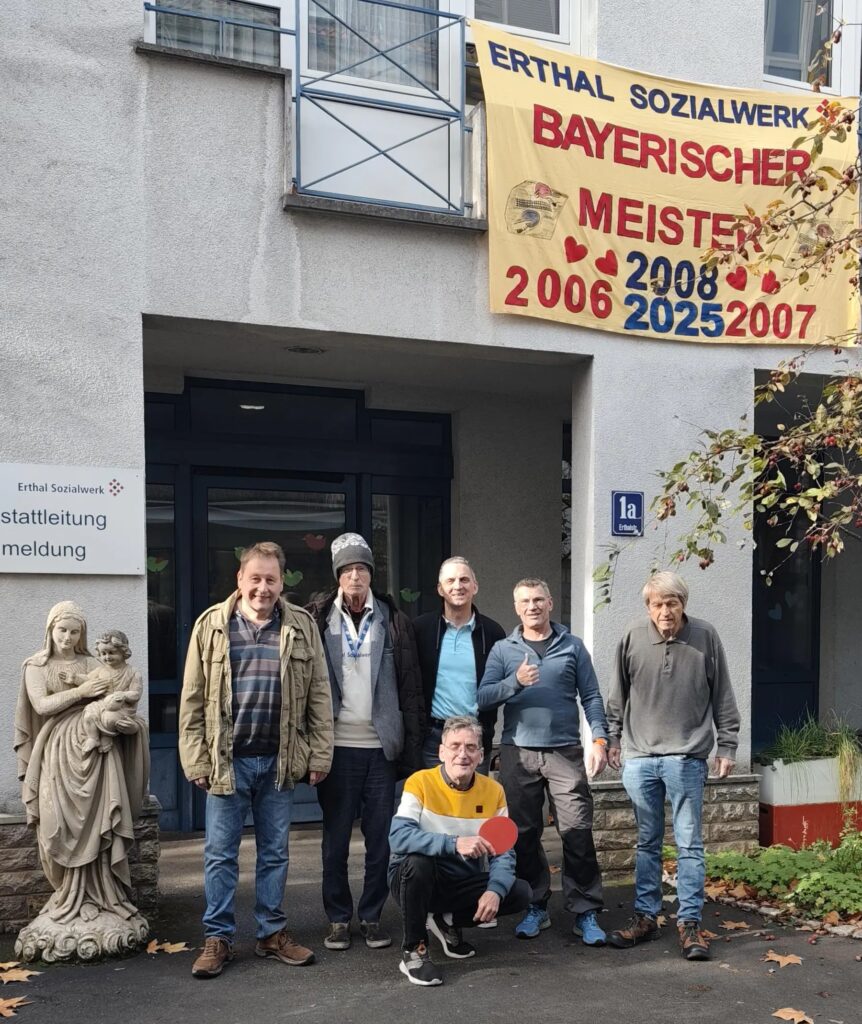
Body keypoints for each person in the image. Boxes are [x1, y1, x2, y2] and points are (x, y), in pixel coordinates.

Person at [179, 541, 333, 980]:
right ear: (240, 580)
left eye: (270, 579)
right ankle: (218, 938)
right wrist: (195, 759)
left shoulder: (301, 625)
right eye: (255, 578)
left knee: (275, 854)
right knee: (220, 855)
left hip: (279, 761)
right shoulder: (211, 624)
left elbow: (319, 693)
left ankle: (270, 932)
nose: (262, 587)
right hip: (226, 761)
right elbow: (192, 696)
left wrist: (320, 752)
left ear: (281, 582)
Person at [606, 571, 740, 961]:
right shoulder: (632, 636)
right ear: (648, 607)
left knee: (689, 845)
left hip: (687, 757)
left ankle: (690, 924)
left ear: (683, 604)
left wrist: (727, 745)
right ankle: (646, 918)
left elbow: (723, 694)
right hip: (640, 758)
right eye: (657, 604)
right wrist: (612, 738)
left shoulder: (706, 636)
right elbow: (617, 694)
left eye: (671, 603)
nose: (664, 611)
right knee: (647, 843)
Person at [14, 602, 150, 961]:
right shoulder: (35, 666)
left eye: (75, 632)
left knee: (100, 819)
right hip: (59, 751)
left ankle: (102, 895)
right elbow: (42, 706)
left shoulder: (93, 662)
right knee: (57, 823)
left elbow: (115, 700)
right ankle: (68, 895)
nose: (68, 638)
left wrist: (125, 722)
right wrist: (83, 691)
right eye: (62, 630)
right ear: (50, 630)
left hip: (97, 752)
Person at [477, 578, 610, 946]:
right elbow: (483, 697)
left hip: (564, 751)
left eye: (538, 599)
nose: (532, 606)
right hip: (517, 753)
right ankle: (536, 904)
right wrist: (515, 682)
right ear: (516, 608)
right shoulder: (504, 650)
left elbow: (592, 697)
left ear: (550, 603)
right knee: (522, 834)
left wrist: (599, 739)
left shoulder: (573, 646)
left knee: (577, 831)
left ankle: (586, 910)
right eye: (525, 601)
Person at [309, 532, 424, 952]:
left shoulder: (393, 619)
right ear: (338, 576)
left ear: (371, 574)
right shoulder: (318, 618)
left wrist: (410, 749)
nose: (355, 576)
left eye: (362, 569)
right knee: (335, 841)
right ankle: (339, 918)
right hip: (336, 748)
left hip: (380, 749)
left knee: (380, 841)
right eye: (347, 570)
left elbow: (411, 687)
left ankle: (372, 916)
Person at [388, 715, 531, 986]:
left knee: (519, 891)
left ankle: (447, 920)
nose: (462, 754)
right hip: (412, 880)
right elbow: (398, 837)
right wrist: (453, 843)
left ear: (481, 755)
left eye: (470, 747)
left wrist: (495, 890)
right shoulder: (420, 782)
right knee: (419, 863)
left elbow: (503, 852)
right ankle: (414, 951)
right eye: (455, 746)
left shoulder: (494, 791)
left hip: (459, 881)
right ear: (442, 752)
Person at [413, 557, 505, 773]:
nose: (457, 586)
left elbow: (500, 687)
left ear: (475, 587)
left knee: (474, 796)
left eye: (464, 580)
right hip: (432, 739)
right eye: (450, 580)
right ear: (440, 589)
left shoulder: (492, 633)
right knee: (432, 796)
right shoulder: (420, 629)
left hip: (475, 738)